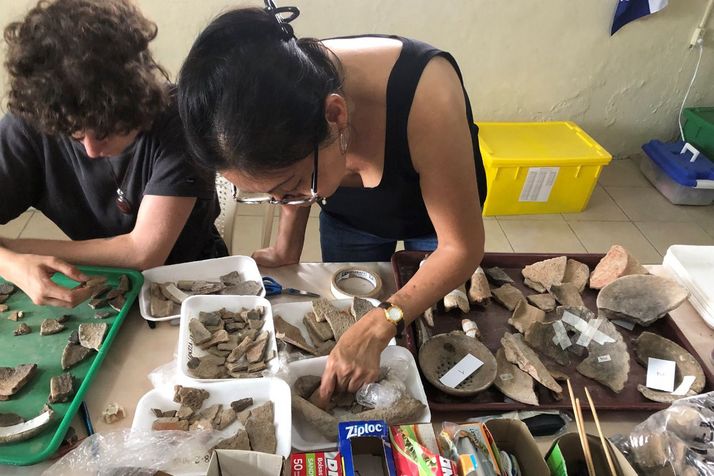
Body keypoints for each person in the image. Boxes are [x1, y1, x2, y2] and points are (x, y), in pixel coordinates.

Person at [177, 4, 487, 402]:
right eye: (269, 194)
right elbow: (290, 167)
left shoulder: (428, 97)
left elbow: (460, 247)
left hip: (432, 216)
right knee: (347, 300)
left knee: (433, 326)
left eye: (290, 185)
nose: (283, 200)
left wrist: (383, 323)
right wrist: (286, 244)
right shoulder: (284, 95)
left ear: (335, 114)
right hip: (350, 213)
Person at [0, 0, 227, 308]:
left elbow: (142, 253)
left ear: (138, 98)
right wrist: (9, 263)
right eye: (75, 134)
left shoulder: (181, 121)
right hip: (99, 282)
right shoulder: (34, 120)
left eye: (106, 130)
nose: (91, 150)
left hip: (186, 274)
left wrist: (17, 249)